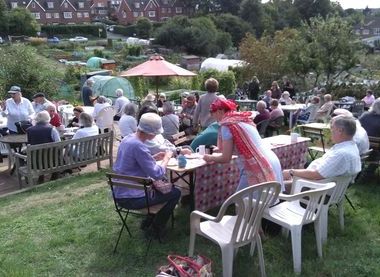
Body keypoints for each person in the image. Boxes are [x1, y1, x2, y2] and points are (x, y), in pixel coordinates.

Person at [113, 112, 181, 238]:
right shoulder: (139, 146)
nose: (156, 135)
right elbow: (157, 173)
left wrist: (153, 158)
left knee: (162, 190)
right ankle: (156, 227)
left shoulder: (128, 139)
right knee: (175, 193)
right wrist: (167, 157)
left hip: (120, 192)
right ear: (150, 132)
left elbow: (133, 164)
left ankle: (148, 222)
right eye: (156, 133)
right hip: (132, 197)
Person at [202, 98, 284, 192]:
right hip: (269, 158)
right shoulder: (241, 119)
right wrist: (214, 150)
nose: (215, 119)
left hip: (256, 164)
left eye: (214, 114)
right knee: (265, 201)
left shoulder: (227, 125)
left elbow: (226, 158)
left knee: (245, 202)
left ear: (220, 111)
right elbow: (238, 146)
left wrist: (210, 158)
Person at [283, 116, 361, 181]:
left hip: (312, 189)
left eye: (332, 128)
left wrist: (291, 172)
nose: (331, 131)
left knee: (276, 184)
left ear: (340, 131)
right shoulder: (351, 146)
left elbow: (315, 175)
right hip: (318, 185)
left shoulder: (342, 154)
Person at [26, 110, 61, 182]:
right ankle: (55, 174)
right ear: (48, 118)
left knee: (39, 152)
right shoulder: (52, 129)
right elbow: (59, 143)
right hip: (52, 161)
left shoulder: (29, 130)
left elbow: (29, 144)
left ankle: (41, 176)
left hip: (36, 162)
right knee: (58, 151)